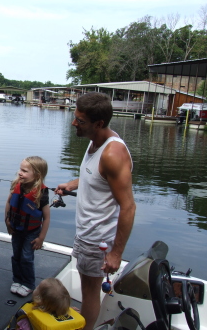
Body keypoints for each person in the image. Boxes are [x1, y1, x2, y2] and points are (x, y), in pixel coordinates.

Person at [55, 92, 136, 330]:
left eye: (80, 121)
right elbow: (94, 176)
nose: (73, 124)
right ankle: (87, 318)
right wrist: (72, 184)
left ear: (99, 124)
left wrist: (116, 254)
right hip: (86, 232)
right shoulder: (95, 142)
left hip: (98, 238)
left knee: (90, 292)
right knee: (85, 285)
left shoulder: (113, 154)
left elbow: (129, 207)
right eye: (75, 117)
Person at [5, 156, 51, 297]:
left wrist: (41, 238)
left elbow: (47, 217)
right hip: (16, 229)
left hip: (32, 232)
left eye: (25, 171)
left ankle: (28, 283)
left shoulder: (41, 194)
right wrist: (7, 221)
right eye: (20, 169)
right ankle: (17, 279)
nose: (20, 173)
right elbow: (9, 203)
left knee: (26, 257)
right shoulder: (16, 185)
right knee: (16, 255)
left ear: (37, 175)